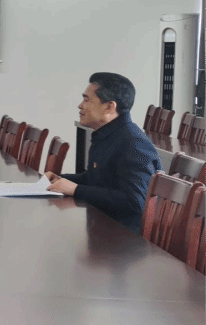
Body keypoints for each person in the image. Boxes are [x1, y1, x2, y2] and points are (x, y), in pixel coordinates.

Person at [45, 72, 162, 233]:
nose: (80, 105)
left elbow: (134, 201)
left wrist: (76, 189)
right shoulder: (106, 134)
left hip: (124, 239)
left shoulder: (133, 143)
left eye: (87, 100)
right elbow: (96, 179)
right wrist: (60, 179)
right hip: (102, 227)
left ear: (109, 107)